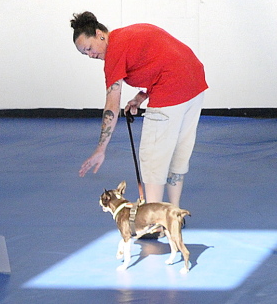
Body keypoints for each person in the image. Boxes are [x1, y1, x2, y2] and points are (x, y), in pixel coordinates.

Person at [72, 11, 207, 207]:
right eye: (85, 53)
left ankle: (155, 221)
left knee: (153, 157)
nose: (91, 55)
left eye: (90, 48)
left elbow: (112, 105)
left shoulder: (114, 51)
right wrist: (140, 97)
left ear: (100, 34)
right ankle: (174, 215)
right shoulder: (129, 35)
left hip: (173, 89)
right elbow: (159, 62)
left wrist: (101, 149)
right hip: (195, 84)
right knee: (179, 151)